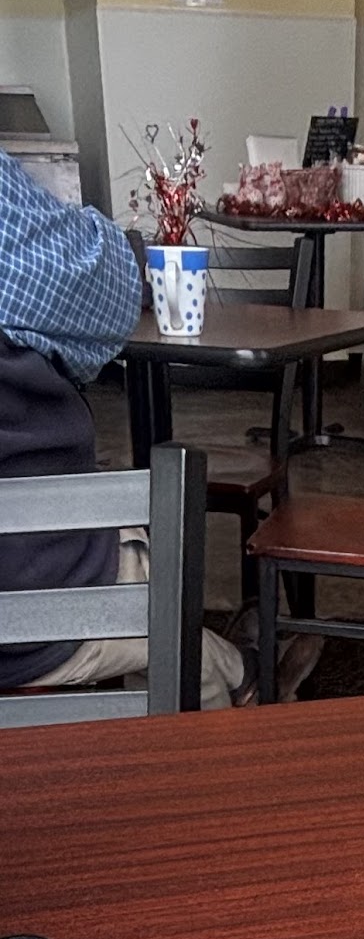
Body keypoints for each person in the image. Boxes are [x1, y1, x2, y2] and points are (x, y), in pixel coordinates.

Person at [0, 150, 251, 707]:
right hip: (32, 599)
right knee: (170, 624)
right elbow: (109, 290)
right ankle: (236, 697)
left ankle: (235, 667)